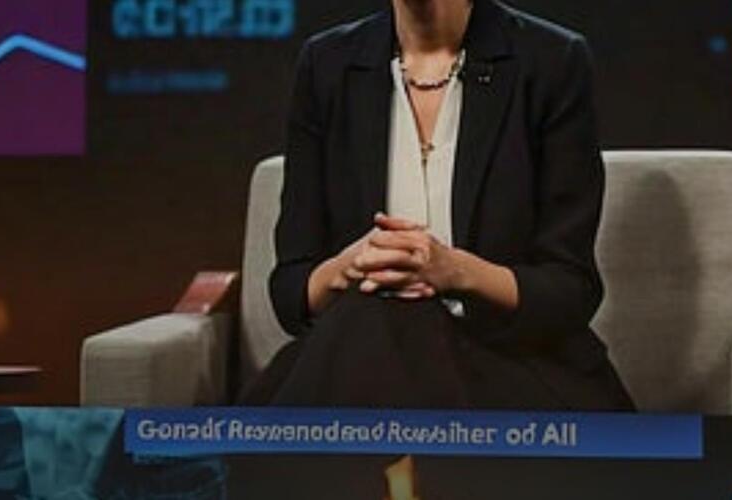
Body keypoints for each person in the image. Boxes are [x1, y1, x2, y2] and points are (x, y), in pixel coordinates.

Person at [246, 0, 634, 411]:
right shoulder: (327, 66)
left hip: (509, 362)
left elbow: (570, 290)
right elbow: (291, 292)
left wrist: (454, 271)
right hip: (360, 357)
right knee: (370, 321)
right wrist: (349, 266)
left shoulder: (551, 61)